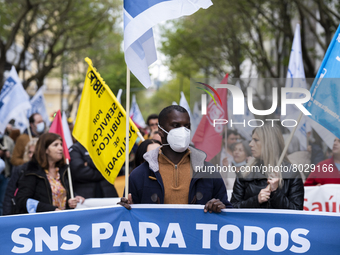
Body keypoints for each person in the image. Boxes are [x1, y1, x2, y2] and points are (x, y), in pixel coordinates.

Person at [119, 105, 232, 213]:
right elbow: (127, 220)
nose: (183, 131)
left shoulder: (209, 172)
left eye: (187, 126)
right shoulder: (139, 175)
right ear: (161, 130)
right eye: (176, 125)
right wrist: (126, 209)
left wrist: (220, 208)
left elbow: (227, 212)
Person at [231, 124, 304, 210]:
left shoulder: (292, 173)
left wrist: (276, 193)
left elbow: (296, 212)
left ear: (269, 143)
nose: (250, 144)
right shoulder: (244, 172)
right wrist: (256, 200)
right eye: (251, 140)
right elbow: (233, 208)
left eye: (256, 140)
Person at [15, 133, 84, 213]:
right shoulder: (32, 172)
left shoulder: (64, 171)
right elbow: (22, 200)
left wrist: (70, 202)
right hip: (42, 222)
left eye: (61, 144)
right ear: (45, 150)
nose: (61, 148)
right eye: (55, 145)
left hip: (63, 221)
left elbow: (63, 197)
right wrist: (51, 209)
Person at [3, 138, 38, 215]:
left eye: (34, 152)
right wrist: (7, 217)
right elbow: (10, 194)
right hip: (21, 214)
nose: (31, 155)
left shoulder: (47, 171)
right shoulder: (20, 170)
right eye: (30, 152)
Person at [0, 130, 15, 215]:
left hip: (5, 176)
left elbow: (14, 159)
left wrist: (9, 156)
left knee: (3, 202)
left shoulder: (8, 141)